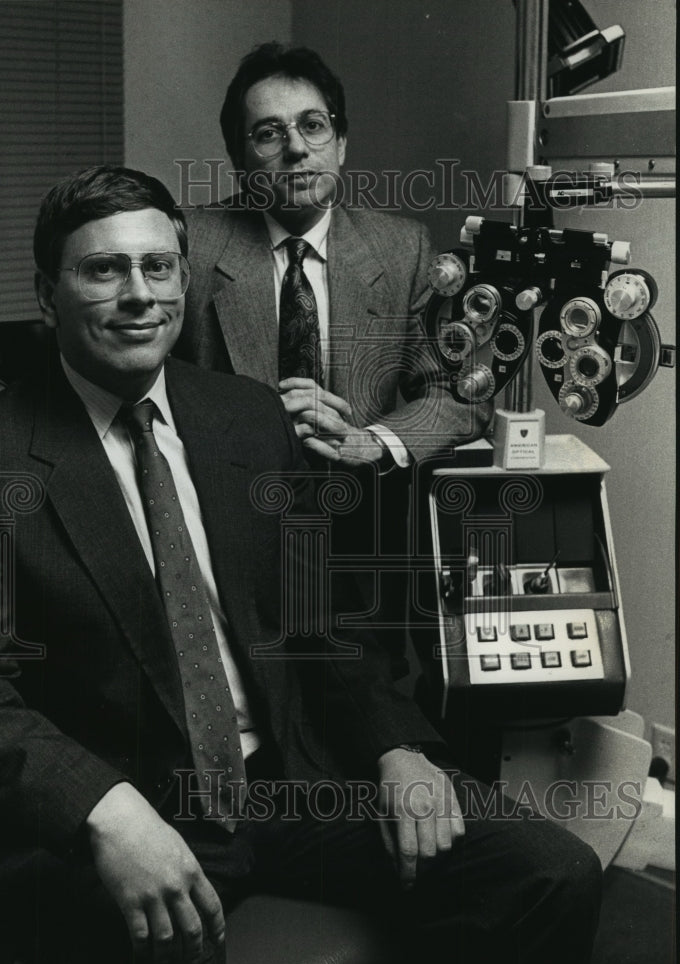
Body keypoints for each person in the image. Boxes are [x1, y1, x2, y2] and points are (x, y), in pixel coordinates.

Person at [0, 165, 601, 964]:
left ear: (182, 278)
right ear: (47, 294)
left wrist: (397, 748)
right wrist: (107, 811)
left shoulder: (245, 414)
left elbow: (323, 616)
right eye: (103, 270)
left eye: (157, 266)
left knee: (548, 873)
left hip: (288, 785)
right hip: (124, 817)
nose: (139, 294)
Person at [175, 42, 490, 676]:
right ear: (240, 158)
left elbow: (459, 394)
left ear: (340, 144)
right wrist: (251, 424)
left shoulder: (401, 249)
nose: (296, 148)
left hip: (356, 545)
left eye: (313, 126)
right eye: (269, 133)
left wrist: (374, 442)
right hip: (222, 545)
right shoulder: (190, 246)